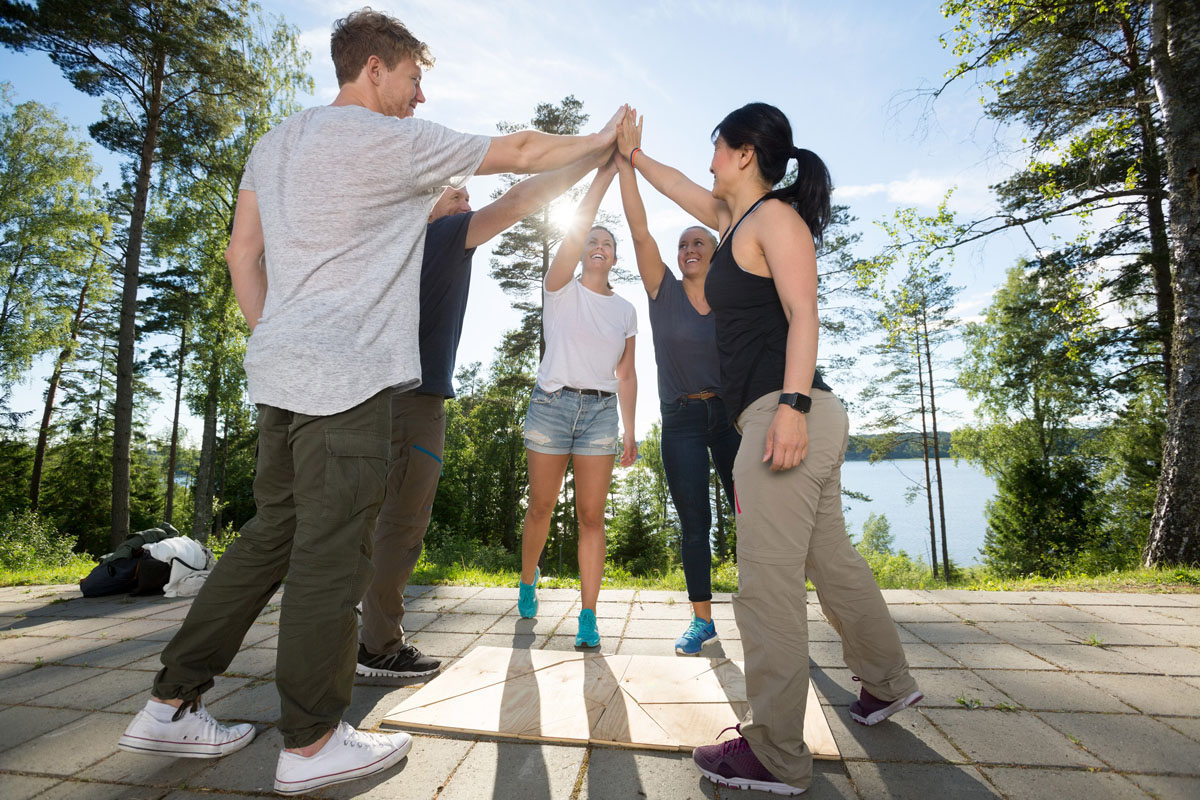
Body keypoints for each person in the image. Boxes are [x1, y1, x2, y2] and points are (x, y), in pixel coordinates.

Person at [115, 8, 623, 796]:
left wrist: (278, 335)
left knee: (268, 539)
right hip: (346, 382)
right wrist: (602, 141)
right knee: (330, 554)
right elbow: (519, 155)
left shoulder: (275, 142)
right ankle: (313, 742)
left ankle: (170, 703)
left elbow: (239, 252)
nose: (421, 98)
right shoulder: (390, 142)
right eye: (415, 78)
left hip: (280, 375)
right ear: (376, 68)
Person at [616, 104, 922, 796]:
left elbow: (805, 311)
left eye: (716, 148)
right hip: (793, 413)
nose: (709, 160)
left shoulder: (776, 219)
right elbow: (677, 191)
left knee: (765, 583)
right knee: (831, 561)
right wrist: (632, 159)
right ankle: (888, 684)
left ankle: (776, 754)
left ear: (745, 152)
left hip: (783, 412)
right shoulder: (735, 225)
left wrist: (790, 407)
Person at [358, 152, 611, 678]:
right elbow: (519, 201)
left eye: (468, 197)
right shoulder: (444, 237)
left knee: (367, 521)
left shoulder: (391, 250)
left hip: (372, 399)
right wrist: (591, 159)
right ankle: (378, 647)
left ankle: (352, 631)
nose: (467, 204)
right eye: (457, 196)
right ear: (428, 207)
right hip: (415, 403)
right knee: (402, 524)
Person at [615, 151, 740, 656]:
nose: (690, 248)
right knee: (695, 523)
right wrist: (627, 160)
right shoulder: (661, 289)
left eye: (700, 242)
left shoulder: (734, 294)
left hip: (732, 418)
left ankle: (769, 612)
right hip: (683, 421)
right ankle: (702, 619)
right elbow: (639, 227)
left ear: (717, 251)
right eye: (683, 243)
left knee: (753, 514)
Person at [517, 157, 638, 647]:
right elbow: (574, 238)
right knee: (542, 507)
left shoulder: (626, 310)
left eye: (607, 244)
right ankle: (528, 582)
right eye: (592, 240)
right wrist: (604, 177)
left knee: (592, 516)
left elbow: (627, 373)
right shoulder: (559, 291)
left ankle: (588, 617)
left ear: (614, 259)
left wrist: (632, 431)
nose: (598, 246)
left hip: (600, 416)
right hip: (551, 407)